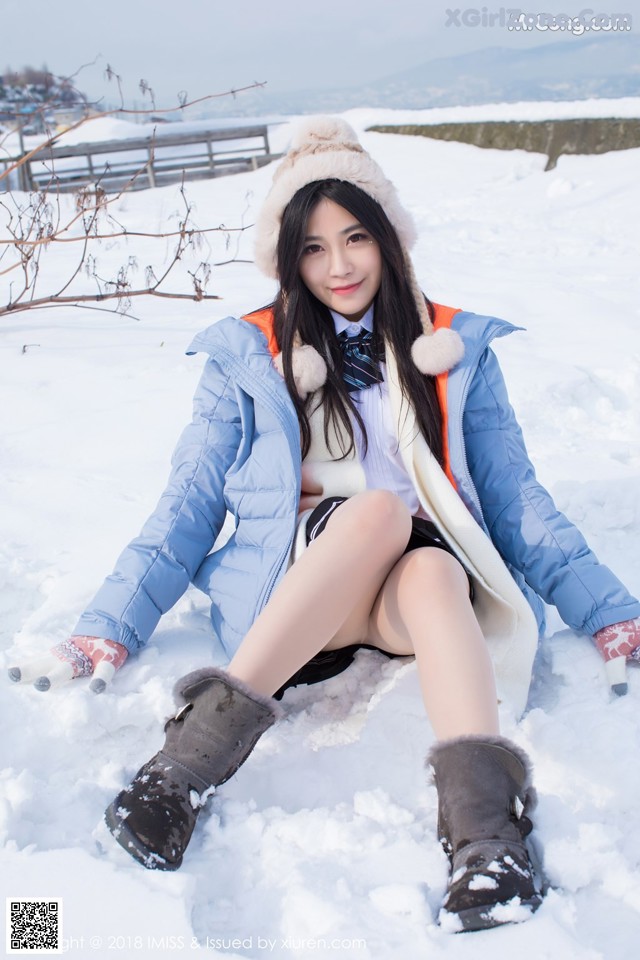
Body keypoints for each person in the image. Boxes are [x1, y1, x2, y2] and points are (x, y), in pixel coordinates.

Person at [8, 117, 640, 933]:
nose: (339, 265)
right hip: (297, 595)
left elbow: (517, 496)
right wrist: (111, 623)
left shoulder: (451, 347)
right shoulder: (249, 356)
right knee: (378, 511)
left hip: (401, 596)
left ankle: (487, 840)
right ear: (286, 259)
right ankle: (181, 772)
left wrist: (609, 608)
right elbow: (189, 504)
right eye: (312, 247)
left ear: (388, 239)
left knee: (438, 567)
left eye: (355, 238)